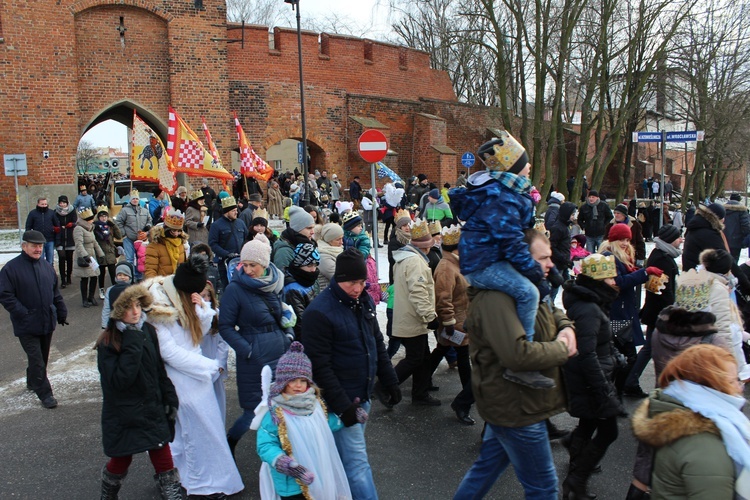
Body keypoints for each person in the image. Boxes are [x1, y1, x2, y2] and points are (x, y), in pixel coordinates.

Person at [453, 229, 576, 500]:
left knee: (485, 470)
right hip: (516, 406)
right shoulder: (497, 298)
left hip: (517, 404)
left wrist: (566, 326)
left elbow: (551, 313)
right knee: (543, 487)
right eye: (543, 258)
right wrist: (561, 348)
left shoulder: (528, 287)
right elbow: (517, 355)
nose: (551, 264)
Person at [450, 132, 552, 389]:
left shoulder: (508, 191)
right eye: (525, 163)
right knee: (528, 292)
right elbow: (509, 241)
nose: (530, 167)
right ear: (515, 167)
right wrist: (535, 274)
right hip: (483, 265)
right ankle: (521, 363)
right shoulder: (502, 196)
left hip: (489, 258)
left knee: (532, 286)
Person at [303, 248, 401, 499]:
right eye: (351, 283)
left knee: (341, 460)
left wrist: (389, 379)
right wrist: (343, 406)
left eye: (361, 282)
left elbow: (376, 342)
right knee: (357, 464)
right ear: (338, 279)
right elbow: (319, 366)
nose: (357, 288)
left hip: (362, 394)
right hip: (344, 401)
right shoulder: (319, 312)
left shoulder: (363, 300)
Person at [145, 254, 244, 497]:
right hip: (180, 377)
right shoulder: (159, 307)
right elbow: (168, 351)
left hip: (196, 375)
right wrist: (206, 366)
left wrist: (202, 310)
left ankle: (207, 479)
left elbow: (196, 333)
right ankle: (198, 481)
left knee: (204, 429)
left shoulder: (184, 299)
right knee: (192, 431)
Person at [94, 284, 183, 499]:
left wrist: (169, 396)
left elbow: (158, 369)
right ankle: (108, 494)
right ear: (116, 311)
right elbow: (120, 381)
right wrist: (132, 341)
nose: (135, 312)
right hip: (124, 414)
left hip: (151, 407)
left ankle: (173, 494)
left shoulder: (147, 331)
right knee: (121, 458)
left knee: (162, 454)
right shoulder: (108, 342)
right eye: (128, 307)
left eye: (137, 305)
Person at [631, 344, 749, 500]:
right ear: (713, 387)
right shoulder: (705, 445)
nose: (740, 388)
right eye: (733, 381)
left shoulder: (680, 415)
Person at [559, 253, 626, 499]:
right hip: (590, 378)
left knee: (589, 421)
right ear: (598, 279)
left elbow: (598, 342)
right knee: (609, 431)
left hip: (594, 374)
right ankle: (576, 481)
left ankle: (575, 449)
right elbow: (586, 354)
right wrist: (602, 389)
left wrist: (615, 355)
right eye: (610, 276)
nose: (615, 280)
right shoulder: (589, 308)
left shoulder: (594, 302)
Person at [219, 234, 293, 455]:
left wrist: (289, 334)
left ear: (264, 264)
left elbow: (283, 313)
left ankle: (278, 453)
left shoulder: (274, 283)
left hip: (280, 350)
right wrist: (248, 350)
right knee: (253, 411)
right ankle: (230, 441)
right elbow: (225, 327)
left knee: (281, 406)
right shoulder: (235, 289)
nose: (248, 269)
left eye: (254, 265)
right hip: (255, 359)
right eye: (245, 264)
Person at [256, 342, 352, 499]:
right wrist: (283, 462)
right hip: (291, 482)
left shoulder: (314, 406)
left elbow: (325, 424)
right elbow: (265, 444)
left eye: (302, 380)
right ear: (282, 382)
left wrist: (348, 417)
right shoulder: (276, 412)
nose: (297, 385)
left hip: (317, 472)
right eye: (292, 380)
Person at [0, 230, 67, 409]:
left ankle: (32, 380)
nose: (38, 249)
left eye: (40, 246)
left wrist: (61, 311)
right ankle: (46, 394)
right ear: (24, 246)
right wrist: (22, 312)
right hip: (26, 324)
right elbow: (5, 295)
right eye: (34, 246)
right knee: (37, 359)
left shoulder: (46, 266)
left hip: (47, 321)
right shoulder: (11, 269)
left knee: (41, 358)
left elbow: (55, 292)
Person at [599, 224, 662, 396]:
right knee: (626, 358)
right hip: (617, 315)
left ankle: (623, 390)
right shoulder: (609, 257)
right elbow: (619, 282)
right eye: (621, 239)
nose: (625, 243)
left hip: (623, 313)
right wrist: (644, 273)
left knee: (625, 357)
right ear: (613, 240)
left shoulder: (620, 257)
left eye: (627, 240)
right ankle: (617, 393)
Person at [625, 224, 683, 397]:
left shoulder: (662, 255)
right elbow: (661, 291)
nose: (681, 240)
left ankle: (631, 381)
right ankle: (632, 381)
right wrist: (670, 312)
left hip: (656, 311)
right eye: (678, 237)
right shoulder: (662, 258)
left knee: (650, 348)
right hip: (659, 313)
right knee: (653, 348)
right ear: (670, 240)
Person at [675, 248, 750, 380]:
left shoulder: (695, 281)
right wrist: (730, 362)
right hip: (708, 351)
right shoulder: (717, 288)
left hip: (686, 347)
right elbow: (723, 328)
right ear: (726, 270)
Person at [426, 225, 475, 424]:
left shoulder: (457, 263)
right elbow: (443, 298)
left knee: (444, 351)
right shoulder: (446, 267)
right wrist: (448, 323)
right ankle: (466, 397)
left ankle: (422, 381)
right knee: (460, 356)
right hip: (455, 323)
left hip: (462, 322)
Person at [389, 218, 441, 406]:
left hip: (410, 316)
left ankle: (420, 393)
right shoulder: (415, 262)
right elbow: (418, 292)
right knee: (415, 358)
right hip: (413, 317)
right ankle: (387, 387)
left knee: (422, 357)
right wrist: (429, 316)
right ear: (426, 247)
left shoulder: (406, 258)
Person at [208, 196, 248, 291]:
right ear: (227, 211)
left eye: (236, 210)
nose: (236, 212)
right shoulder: (216, 225)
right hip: (224, 262)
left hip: (240, 261)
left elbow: (247, 238)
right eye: (234, 210)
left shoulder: (240, 223)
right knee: (227, 287)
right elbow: (213, 243)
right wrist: (226, 254)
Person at [282, 243, 320, 341]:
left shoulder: (306, 279)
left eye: (315, 265)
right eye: (309, 265)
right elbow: (300, 322)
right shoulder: (293, 288)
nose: (313, 269)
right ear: (299, 264)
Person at [115, 190, 152, 282]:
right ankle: (130, 277)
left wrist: (147, 229)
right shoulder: (124, 210)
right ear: (130, 200)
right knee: (130, 259)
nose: (135, 200)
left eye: (136, 199)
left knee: (140, 258)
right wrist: (124, 233)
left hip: (141, 240)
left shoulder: (144, 210)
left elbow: (150, 220)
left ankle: (139, 277)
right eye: (133, 199)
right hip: (129, 239)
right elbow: (118, 222)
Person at [73, 208, 106, 308]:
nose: (93, 220)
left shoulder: (90, 227)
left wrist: (101, 254)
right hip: (84, 256)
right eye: (91, 219)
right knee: (85, 278)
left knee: (94, 275)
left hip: (92, 255)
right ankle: (84, 299)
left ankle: (91, 296)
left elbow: (94, 242)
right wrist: (85, 255)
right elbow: (79, 244)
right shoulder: (78, 229)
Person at [144, 209, 189, 279]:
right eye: (173, 230)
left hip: (179, 284)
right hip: (161, 285)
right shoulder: (154, 245)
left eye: (179, 231)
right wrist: (154, 285)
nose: (176, 234)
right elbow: (150, 269)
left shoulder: (182, 243)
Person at [682, 202, 726, 271]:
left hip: (691, 272)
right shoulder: (708, 233)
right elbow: (723, 258)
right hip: (699, 275)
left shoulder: (696, 226)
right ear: (719, 219)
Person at [549, 202, 578, 301]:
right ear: (566, 214)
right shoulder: (558, 228)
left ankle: (573, 302)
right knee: (555, 288)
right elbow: (552, 247)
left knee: (570, 285)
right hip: (558, 263)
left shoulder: (566, 226)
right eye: (572, 214)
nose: (574, 217)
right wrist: (563, 258)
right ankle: (549, 307)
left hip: (564, 262)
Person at [272, 206, 315, 272]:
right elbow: (284, 279)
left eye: (313, 228)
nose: (313, 232)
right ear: (297, 228)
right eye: (309, 228)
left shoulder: (306, 245)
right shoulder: (284, 252)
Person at [93, 206, 123, 300]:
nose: (103, 218)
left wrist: (114, 225)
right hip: (100, 252)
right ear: (98, 217)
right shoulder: (95, 226)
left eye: (105, 216)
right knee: (101, 273)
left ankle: (115, 289)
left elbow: (119, 236)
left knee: (113, 272)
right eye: (101, 216)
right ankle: (101, 289)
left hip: (110, 252)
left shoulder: (110, 226)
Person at [25, 197, 59, 264]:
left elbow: (57, 225)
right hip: (38, 241)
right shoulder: (33, 213)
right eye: (42, 204)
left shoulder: (51, 213)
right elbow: (28, 226)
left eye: (45, 204)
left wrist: (56, 236)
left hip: (50, 239)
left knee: (50, 260)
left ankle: (49, 273)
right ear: (38, 204)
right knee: (39, 259)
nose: (44, 205)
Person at [101, 262, 135, 329]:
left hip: (132, 323)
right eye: (119, 275)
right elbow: (106, 309)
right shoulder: (110, 290)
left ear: (130, 276)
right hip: (116, 323)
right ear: (116, 276)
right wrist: (104, 325)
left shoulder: (135, 289)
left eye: (125, 275)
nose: (122, 277)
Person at [54, 195, 76, 288]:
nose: (62, 205)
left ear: (67, 203)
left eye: (64, 203)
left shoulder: (72, 210)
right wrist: (56, 228)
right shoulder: (55, 212)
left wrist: (72, 224)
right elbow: (53, 222)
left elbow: (75, 221)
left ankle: (69, 277)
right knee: (61, 258)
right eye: (61, 203)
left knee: (69, 258)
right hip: (60, 238)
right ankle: (63, 279)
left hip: (70, 237)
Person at [316, 223, 344, 291]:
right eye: (338, 239)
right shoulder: (323, 255)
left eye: (342, 238)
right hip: (327, 292)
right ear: (329, 240)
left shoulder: (336, 250)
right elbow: (339, 277)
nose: (341, 242)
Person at [723, 193, 750, 262]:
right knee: (734, 262)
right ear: (739, 200)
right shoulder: (742, 211)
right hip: (736, 241)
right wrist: (745, 239)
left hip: (722, 239)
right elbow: (746, 226)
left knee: (723, 261)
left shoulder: (722, 209)